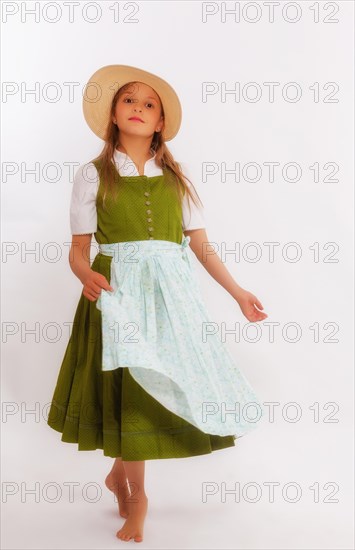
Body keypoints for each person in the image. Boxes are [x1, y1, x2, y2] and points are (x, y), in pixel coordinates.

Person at [47, 64, 268, 543]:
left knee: (151, 388)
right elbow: (79, 249)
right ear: (113, 113)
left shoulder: (176, 178)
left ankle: (123, 480)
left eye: (149, 104)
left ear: (161, 121)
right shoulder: (93, 174)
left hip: (170, 300)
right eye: (130, 100)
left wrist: (238, 293)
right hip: (118, 295)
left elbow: (201, 246)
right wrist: (86, 275)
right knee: (130, 388)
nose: (139, 109)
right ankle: (137, 495)